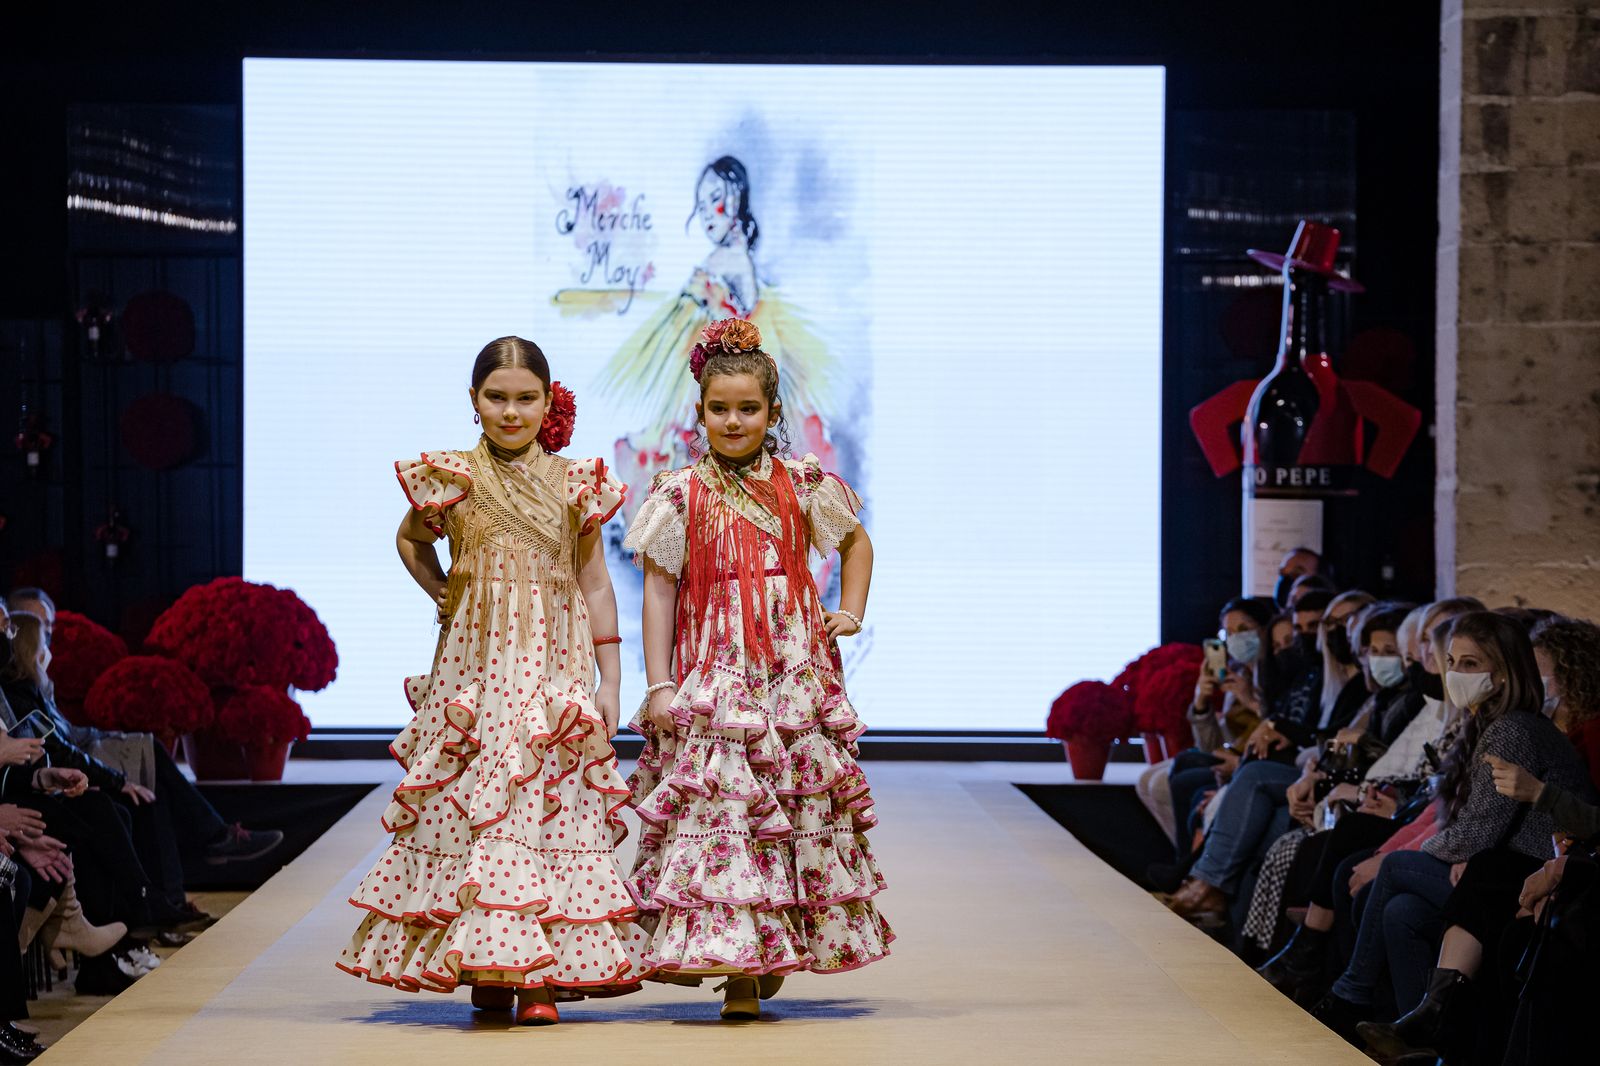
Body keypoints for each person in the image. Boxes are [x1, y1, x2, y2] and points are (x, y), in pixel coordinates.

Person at [335, 336, 650, 1026]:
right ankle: (487, 963)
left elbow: (596, 580)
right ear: (474, 400)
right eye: (496, 397)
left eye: (526, 398)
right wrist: (443, 591)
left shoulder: (576, 482)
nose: (511, 411)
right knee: (478, 798)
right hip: (476, 663)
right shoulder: (452, 477)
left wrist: (611, 680)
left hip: (552, 659)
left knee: (541, 794)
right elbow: (411, 539)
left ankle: (533, 975)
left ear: (548, 401)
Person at [623, 318, 891, 1021]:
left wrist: (850, 611)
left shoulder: (802, 483)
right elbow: (659, 590)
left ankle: (774, 942)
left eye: (748, 408)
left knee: (790, 809)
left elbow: (856, 543)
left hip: (792, 674)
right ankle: (740, 968)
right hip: (717, 675)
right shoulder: (680, 493)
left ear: (773, 412)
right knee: (727, 810)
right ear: (700, 411)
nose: (734, 421)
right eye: (720, 409)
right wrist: (659, 684)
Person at [1310, 611, 1592, 1045]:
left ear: (1503, 672)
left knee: (1392, 868)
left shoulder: (1512, 729)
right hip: (1500, 865)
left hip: (1530, 871)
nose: (1456, 673)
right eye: (1453, 661)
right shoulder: (1492, 722)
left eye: (1470, 664)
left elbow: (1481, 830)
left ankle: (1349, 993)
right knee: (1402, 912)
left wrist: (1420, 854)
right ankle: (1417, 1037)